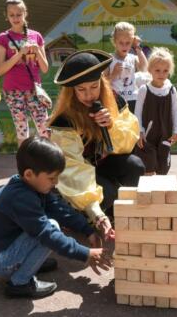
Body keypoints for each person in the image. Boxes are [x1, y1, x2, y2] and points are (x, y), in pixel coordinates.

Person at [0, 136, 111, 298]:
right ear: (29, 174)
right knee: (49, 228)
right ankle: (20, 283)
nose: (56, 182)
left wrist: (88, 230)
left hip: (2, 249)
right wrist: (85, 253)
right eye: (52, 178)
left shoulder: (31, 186)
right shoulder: (21, 197)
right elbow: (46, 234)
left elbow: (60, 209)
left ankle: (27, 262)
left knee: (48, 225)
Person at [49, 49, 145, 239]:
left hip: (102, 165)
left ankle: (117, 215)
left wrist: (111, 126)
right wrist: (95, 209)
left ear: (101, 83)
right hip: (78, 177)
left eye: (94, 87)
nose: (89, 95)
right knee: (106, 192)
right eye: (81, 90)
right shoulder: (64, 121)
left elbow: (129, 142)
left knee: (135, 166)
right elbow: (71, 169)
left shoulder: (115, 100)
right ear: (71, 91)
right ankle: (83, 219)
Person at [0, 0, 49, 147]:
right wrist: (19, 53)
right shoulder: (3, 37)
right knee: (22, 131)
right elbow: (0, 70)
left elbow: (44, 68)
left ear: (25, 13)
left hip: (34, 89)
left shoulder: (36, 36)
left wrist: (37, 51)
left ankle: (49, 163)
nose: (15, 18)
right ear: (6, 17)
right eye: (11, 15)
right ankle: (24, 166)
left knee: (44, 128)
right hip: (13, 90)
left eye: (19, 14)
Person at [134, 47, 177, 175]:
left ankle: (161, 189)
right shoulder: (144, 89)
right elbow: (137, 112)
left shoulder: (171, 90)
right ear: (150, 70)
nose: (161, 74)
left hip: (165, 133)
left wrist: (176, 130)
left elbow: (175, 110)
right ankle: (148, 190)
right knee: (149, 163)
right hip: (148, 135)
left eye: (165, 71)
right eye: (157, 70)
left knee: (163, 165)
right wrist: (140, 131)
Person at [105, 21, 148, 113]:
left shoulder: (133, 58)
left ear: (132, 42)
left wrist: (137, 47)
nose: (124, 46)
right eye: (121, 43)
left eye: (128, 43)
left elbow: (144, 68)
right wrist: (113, 74)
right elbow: (103, 83)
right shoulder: (109, 59)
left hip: (133, 99)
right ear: (114, 41)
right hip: (115, 100)